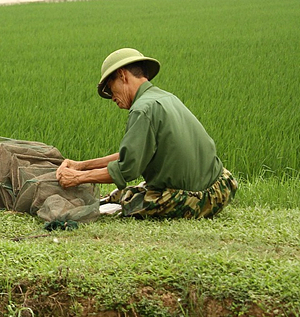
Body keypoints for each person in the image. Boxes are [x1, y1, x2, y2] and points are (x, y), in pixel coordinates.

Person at [56, 48, 237, 218]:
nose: (112, 97)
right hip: (223, 185)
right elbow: (135, 155)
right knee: (123, 195)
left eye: (111, 89)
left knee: (129, 200)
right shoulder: (165, 97)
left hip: (202, 199)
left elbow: (127, 168)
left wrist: (78, 178)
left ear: (122, 75)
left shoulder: (142, 110)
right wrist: (82, 165)